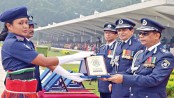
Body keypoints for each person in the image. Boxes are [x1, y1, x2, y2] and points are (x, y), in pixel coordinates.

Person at [0, 6, 93, 98]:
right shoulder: (13, 43)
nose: (26, 26)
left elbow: (45, 62)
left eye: (26, 22)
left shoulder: (24, 42)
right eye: (20, 23)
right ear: (9, 26)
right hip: (19, 93)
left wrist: (68, 75)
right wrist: (76, 56)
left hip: (28, 90)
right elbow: (44, 61)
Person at [106, 18, 174, 98]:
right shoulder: (140, 54)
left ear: (157, 35)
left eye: (145, 33)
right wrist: (108, 76)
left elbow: (153, 80)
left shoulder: (165, 56)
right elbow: (130, 72)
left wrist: (123, 78)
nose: (141, 36)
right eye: (140, 33)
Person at [109, 19, 144, 98]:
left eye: (124, 30)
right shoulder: (118, 45)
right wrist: (111, 82)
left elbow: (137, 69)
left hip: (128, 85)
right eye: (119, 30)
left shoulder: (138, 45)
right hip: (116, 84)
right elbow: (115, 65)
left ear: (132, 31)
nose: (121, 33)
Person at [98, 23, 118, 98]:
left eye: (110, 33)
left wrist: (112, 82)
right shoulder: (102, 47)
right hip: (102, 82)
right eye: (106, 32)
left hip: (112, 81)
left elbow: (117, 66)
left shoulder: (118, 47)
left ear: (116, 35)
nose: (108, 34)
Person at [26, 15, 42, 92]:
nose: (32, 29)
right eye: (29, 27)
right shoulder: (19, 44)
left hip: (33, 86)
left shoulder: (30, 43)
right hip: (25, 88)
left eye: (33, 27)